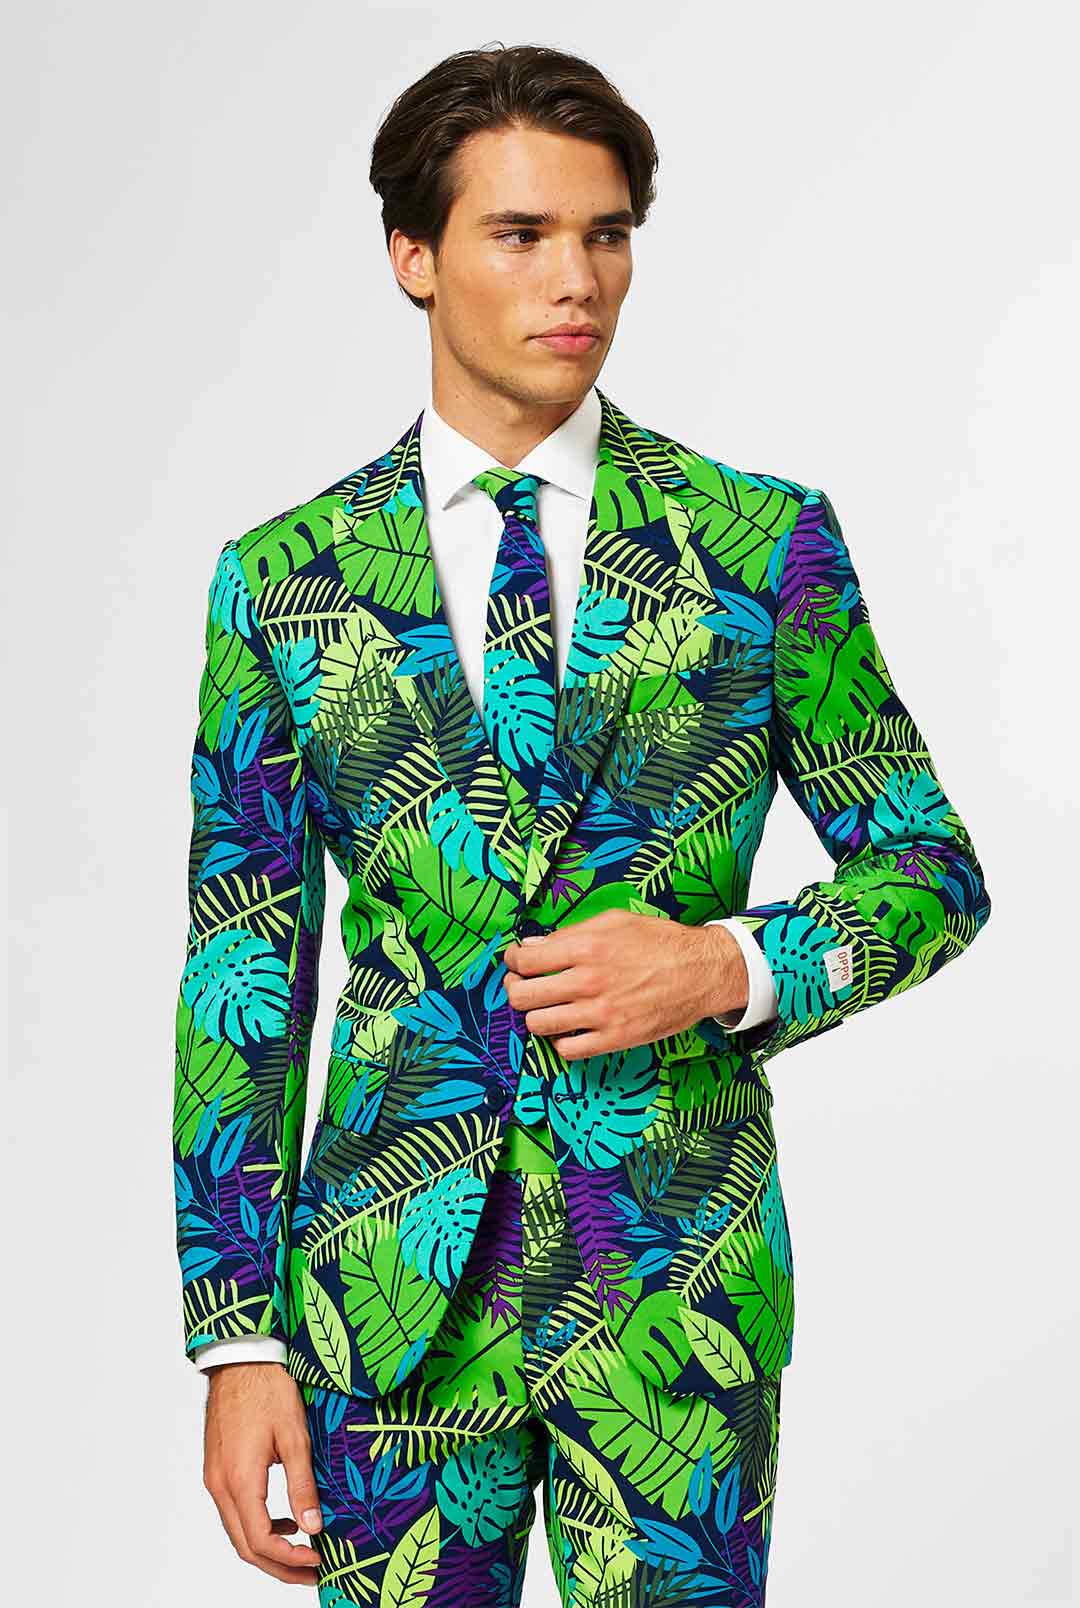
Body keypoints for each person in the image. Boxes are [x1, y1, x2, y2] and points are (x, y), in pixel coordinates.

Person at [171, 42, 991, 1604]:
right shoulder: (282, 581)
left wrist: (726, 965)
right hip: (390, 1306)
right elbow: (242, 970)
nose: (579, 280)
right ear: (412, 255)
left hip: (675, 1297)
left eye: (607, 234)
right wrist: (236, 1336)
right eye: (522, 234)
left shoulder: (761, 545)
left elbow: (932, 873)